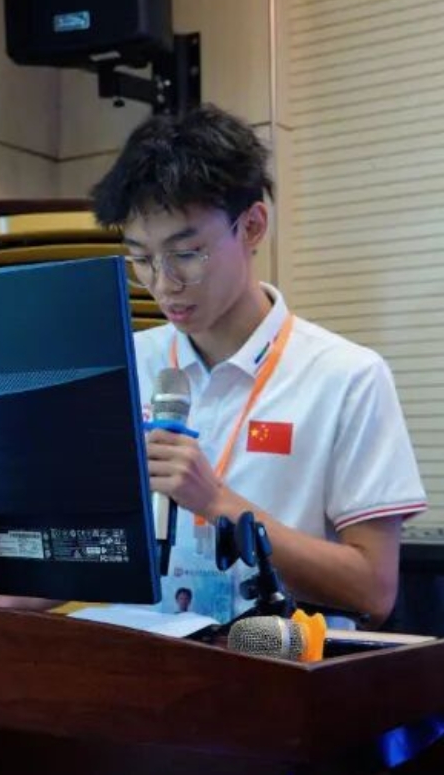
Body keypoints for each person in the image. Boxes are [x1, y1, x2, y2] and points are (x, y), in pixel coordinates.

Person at [94, 104, 427, 625]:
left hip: (276, 662)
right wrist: (5, 593)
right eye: (141, 258)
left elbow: (373, 588)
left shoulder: (346, 376)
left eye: (187, 253)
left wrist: (217, 502)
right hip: (138, 658)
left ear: (251, 226)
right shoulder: (124, 364)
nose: (163, 284)